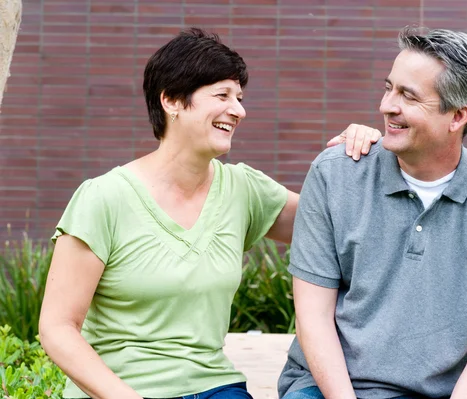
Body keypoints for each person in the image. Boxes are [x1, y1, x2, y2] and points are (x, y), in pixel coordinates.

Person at [38, 28, 380, 399]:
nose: (238, 110)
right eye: (222, 95)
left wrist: (367, 157)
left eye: (239, 97)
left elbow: (337, 228)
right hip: (119, 389)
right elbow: (57, 328)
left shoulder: (244, 189)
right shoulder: (103, 198)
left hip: (214, 387)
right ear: (171, 100)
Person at [278, 27, 467, 399]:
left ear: (458, 116)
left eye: (408, 96)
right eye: (388, 88)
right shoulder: (334, 173)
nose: (386, 106)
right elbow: (312, 317)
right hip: (325, 388)